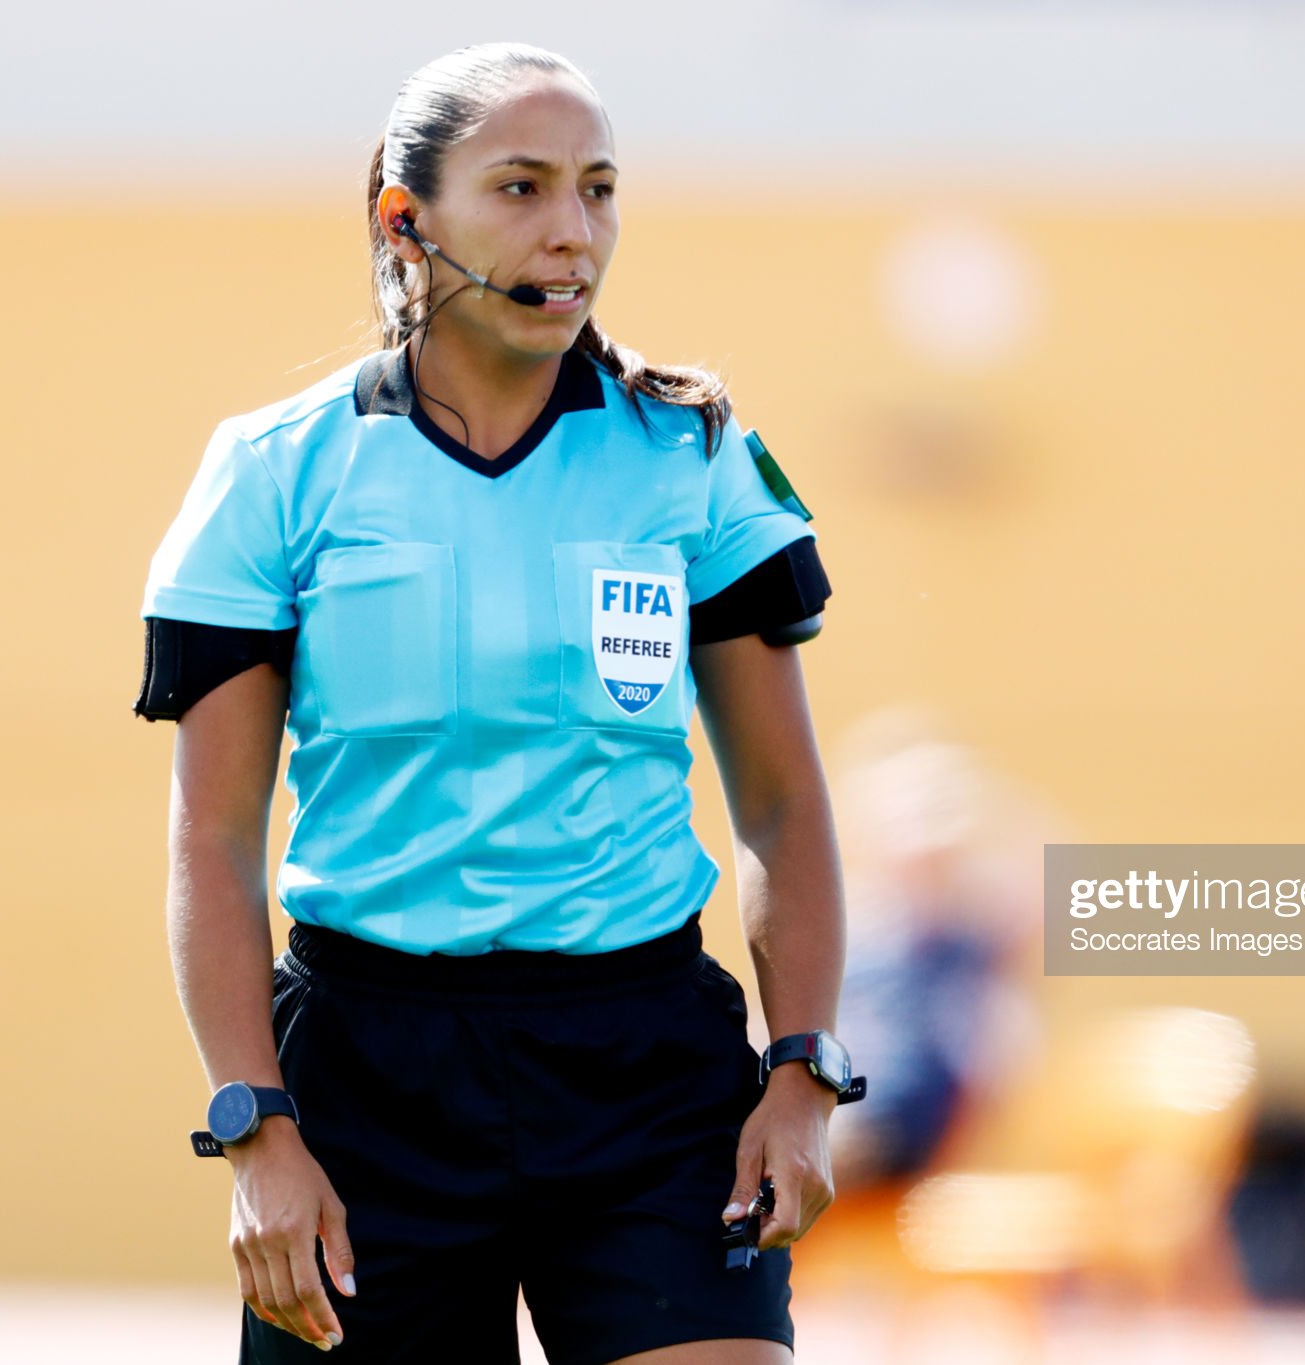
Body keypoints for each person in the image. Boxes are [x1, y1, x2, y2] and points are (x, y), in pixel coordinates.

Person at [132, 42, 861, 1363]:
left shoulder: (695, 456)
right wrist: (256, 1126)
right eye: (521, 187)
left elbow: (782, 799)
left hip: (648, 1075)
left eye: (598, 188)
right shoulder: (270, 475)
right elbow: (213, 838)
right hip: (366, 1085)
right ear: (405, 221)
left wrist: (803, 1069)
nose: (572, 232)